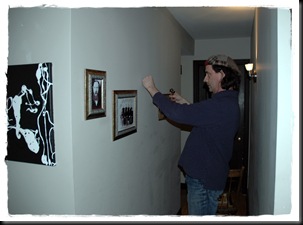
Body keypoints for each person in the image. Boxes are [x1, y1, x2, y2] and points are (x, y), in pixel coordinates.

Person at [142, 54, 241, 215]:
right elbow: (208, 122)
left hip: (203, 180)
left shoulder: (220, 105)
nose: (205, 79)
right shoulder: (227, 103)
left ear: (222, 74)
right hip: (210, 177)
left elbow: (177, 113)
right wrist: (186, 103)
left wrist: (152, 89)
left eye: (208, 74)